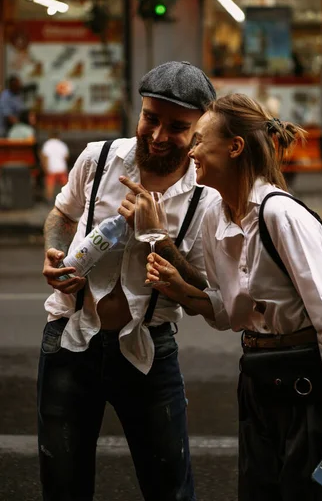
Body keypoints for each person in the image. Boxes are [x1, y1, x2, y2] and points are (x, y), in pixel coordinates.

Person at [146, 93, 322, 501]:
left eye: (200, 140)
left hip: (305, 386)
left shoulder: (282, 216)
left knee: (308, 493)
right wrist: (182, 290)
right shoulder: (216, 214)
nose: (192, 150)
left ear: (234, 147)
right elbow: (231, 313)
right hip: (256, 380)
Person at [39, 60, 219, 501]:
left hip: (149, 349)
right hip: (69, 339)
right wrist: (54, 252)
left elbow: (205, 288)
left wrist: (159, 237)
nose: (157, 136)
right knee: (62, 485)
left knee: (170, 488)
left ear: (199, 130)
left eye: (176, 127)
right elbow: (62, 214)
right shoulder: (98, 158)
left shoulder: (206, 196)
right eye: (150, 118)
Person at [40, 131, 69, 203]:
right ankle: (68, 198)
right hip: (61, 168)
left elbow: (44, 157)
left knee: (50, 184)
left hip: (51, 168)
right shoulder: (62, 144)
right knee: (65, 185)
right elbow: (66, 157)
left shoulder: (47, 144)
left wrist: (45, 167)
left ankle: (49, 198)